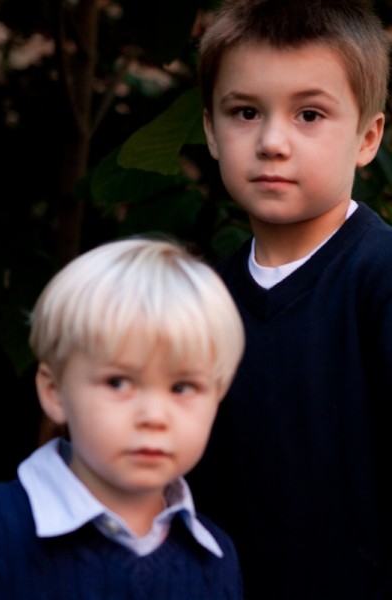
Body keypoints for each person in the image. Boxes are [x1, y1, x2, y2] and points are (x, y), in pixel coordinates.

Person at [187, 1, 392, 599]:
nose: (273, 142)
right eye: (246, 112)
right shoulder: (204, 300)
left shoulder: (378, 278)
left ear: (367, 136)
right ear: (210, 131)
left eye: (309, 114)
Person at [0, 237, 245, 599]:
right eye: (118, 382)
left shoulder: (215, 561)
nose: (154, 417)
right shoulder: (1, 529)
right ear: (54, 392)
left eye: (182, 387)